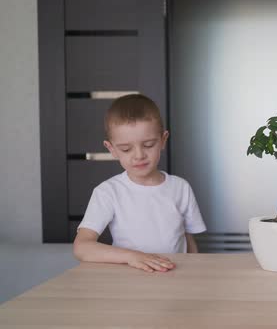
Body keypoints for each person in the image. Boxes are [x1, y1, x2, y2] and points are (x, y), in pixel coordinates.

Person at [73, 94, 206, 273]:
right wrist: (132, 256)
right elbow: (82, 247)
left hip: (175, 279)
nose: (139, 155)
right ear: (111, 149)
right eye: (126, 149)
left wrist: (196, 275)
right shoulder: (108, 192)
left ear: (163, 140)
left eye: (149, 145)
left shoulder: (181, 188)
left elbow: (188, 240)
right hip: (129, 281)